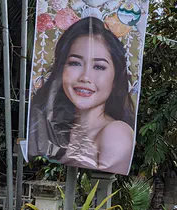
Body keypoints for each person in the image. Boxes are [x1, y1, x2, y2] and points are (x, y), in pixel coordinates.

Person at [28, 16, 136, 174]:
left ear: (115, 78)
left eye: (99, 67)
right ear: (61, 69)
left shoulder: (116, 132)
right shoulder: (53, 128)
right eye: (75, 63)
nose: (85, 77)